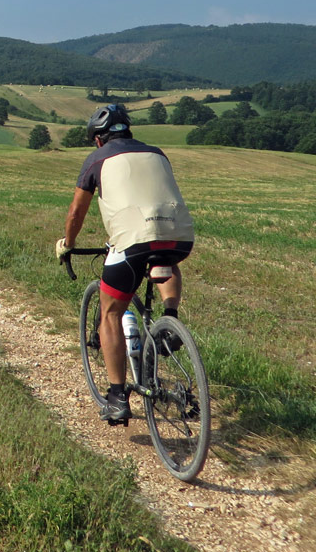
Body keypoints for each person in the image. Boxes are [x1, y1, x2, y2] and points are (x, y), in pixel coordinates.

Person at [55, 104, 194, 423]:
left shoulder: (97, 159)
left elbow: (76, 213)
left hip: (132, 241)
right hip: (180, 236)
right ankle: (170, 319)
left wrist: (69, 245)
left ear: (99, 139)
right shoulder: (157, 153)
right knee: (166, 258)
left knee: (111, 312)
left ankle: (117, 396)